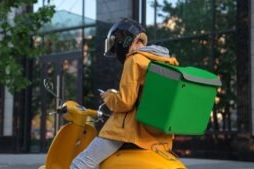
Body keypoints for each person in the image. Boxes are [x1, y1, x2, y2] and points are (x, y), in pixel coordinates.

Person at [70, 18, 179, 169]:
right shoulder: (163, 61)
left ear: (123, 41)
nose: (117, 53)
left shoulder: (134, 60)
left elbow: (125, 102)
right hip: (155, 133)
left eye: (116, 48)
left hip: (126, 131)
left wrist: (108, 96)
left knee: (80, 163)